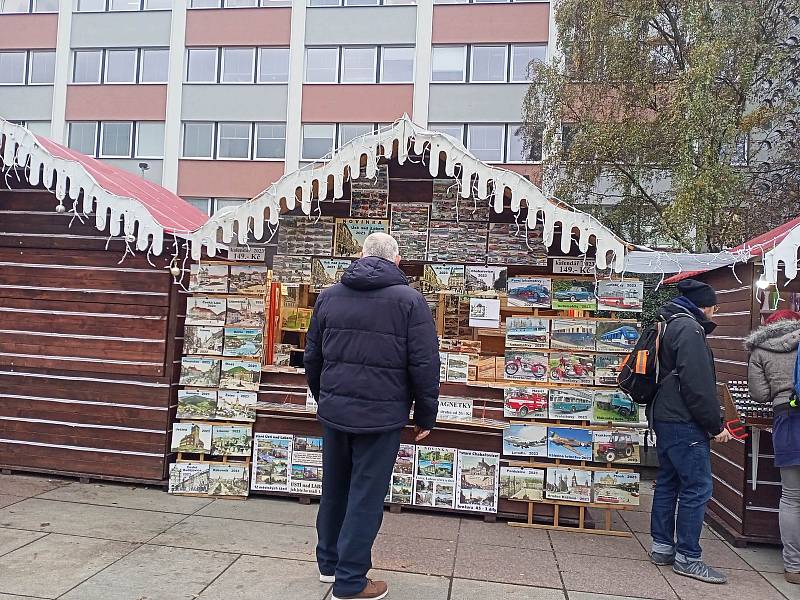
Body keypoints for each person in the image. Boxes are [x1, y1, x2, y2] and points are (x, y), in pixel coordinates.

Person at [304, 232, 440, 600]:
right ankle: (350, 582)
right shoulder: (411, 301)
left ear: (361, 255)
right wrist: (425, 415)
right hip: (381, 418)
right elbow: (425, 364)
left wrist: (325, 398)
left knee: (334, 488)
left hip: (335, 414)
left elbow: (312, 357)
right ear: (397, 261)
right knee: (364, 496)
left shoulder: (329, 296)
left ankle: (329, 565)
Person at [649, 279, 732, 584]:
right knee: (697, 488)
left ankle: (661, 547)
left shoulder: (668, 323)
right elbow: (698, 385)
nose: (715, 312)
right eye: (714, 306)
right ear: (705, 305)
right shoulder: (690, 329)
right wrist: (715, 425)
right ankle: (688, 557)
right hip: (685, 422)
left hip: (664, 416)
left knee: (668, 483)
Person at [746, 309, 800, 584]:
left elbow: (759, 394)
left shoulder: (759, 350)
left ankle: (793, 567)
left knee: (792, 497)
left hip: (788, 420)